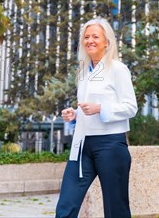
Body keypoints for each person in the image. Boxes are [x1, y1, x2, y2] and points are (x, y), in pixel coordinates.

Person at [56, 17, 138, 218]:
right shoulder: (83, 72)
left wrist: (100, 108)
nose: (90, 40)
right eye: (86, 37)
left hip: (110, 145)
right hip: (82, 145)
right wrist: (74, 114)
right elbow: (86, 108)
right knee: (65, 207)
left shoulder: (118, 69)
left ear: (106, 42)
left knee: (115, 210)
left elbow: (131, 107)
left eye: (95, 36)